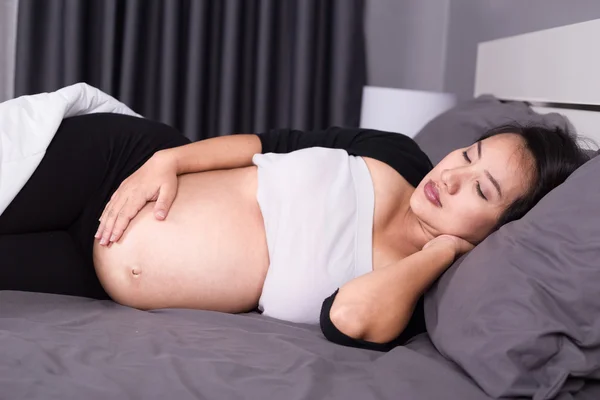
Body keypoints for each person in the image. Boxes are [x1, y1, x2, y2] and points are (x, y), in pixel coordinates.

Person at [0, 112, 589, 351]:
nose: (453, 177)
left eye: (482, 190)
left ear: (500, 231)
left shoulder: (412, 292)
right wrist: (167, 163)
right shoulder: (397, 155)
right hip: (121, 165)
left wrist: (442, 252)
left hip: (90, 270)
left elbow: (348, 322)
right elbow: (267, 144)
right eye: (468, 152)